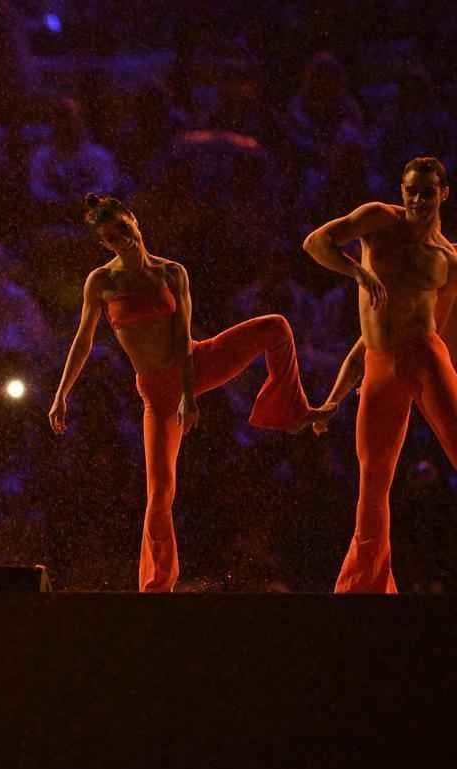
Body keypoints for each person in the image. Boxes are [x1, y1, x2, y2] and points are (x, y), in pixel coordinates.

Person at [49, 194, 333, 592]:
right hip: (157, 392)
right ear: (104, 244)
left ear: (135, 221)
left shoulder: (171, 273)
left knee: (276, 327)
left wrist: (189, 394)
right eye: (112, 238)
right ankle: (157, 585)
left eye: (124, 229)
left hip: (195, 363)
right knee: (160, 490)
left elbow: (183, 337)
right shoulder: (102, 281)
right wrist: (62, 393)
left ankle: (288, 410)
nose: (122, 240)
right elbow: (83, 340)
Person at [303, 156, 457, 593]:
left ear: (443, 194)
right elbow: (316, 243)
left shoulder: (448, 258)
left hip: (424, 357)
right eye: (410, 190)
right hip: (379, 363)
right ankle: (365, 590)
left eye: (427, 192)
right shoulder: (378, 220)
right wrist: (358, 271)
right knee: (372, 482)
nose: (417, 199)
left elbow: (442, 333)